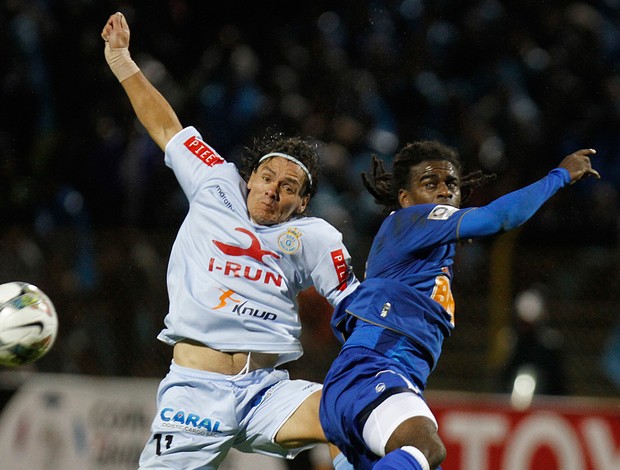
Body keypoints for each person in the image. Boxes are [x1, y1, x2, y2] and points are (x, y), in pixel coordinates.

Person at [100, 12, 359, 469]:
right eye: (266, 177)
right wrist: (121, 59)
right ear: (249, 178)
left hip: (267, 391)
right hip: (195, 394)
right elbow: (165, 127)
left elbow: (356, 307)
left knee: (349, 412)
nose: (272, 190)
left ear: (302, 203)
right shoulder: (215, 183)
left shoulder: (312, 236)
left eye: (289, 187)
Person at [319, 140, 600, 470]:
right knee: (426, 446)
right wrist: (560, 175)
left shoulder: (417, 251)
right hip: (372, 374)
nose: (443, 192)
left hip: (365, 384)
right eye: (430, 183)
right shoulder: (408, 221)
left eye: (451, 184)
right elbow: (501, 217)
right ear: (405, 198)